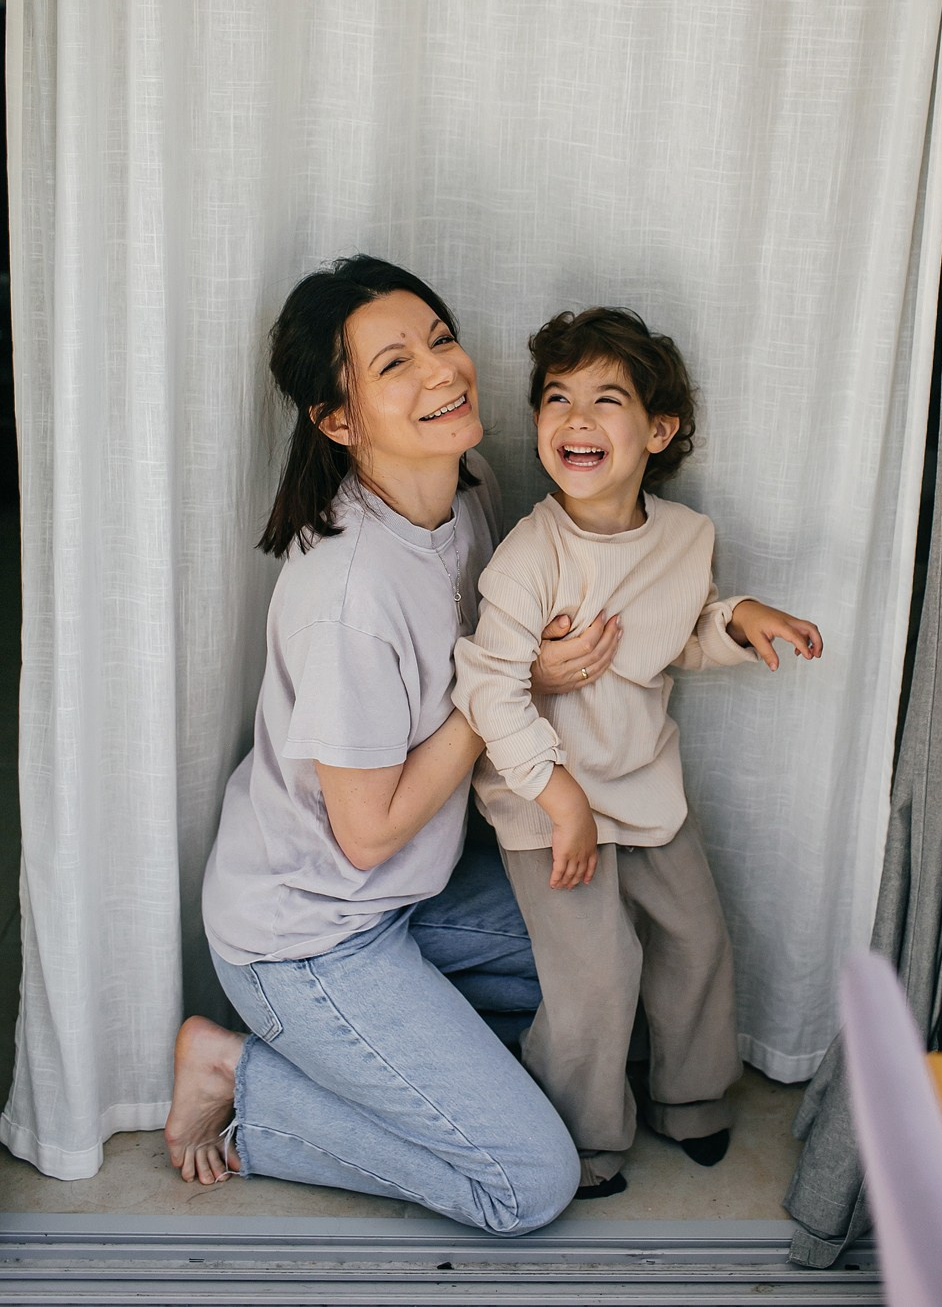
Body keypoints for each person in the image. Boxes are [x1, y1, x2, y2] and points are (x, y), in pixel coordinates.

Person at [164, 256, 621, 1234]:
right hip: (312, 935)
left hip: (416, 898)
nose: (442, 373)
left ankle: (412, 1060)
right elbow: (365, 834)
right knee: (526, 1184)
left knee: (616, 967)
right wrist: (507, 683)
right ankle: (238, 1077)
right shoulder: (348, 591)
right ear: (339, 420)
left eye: (440, 340)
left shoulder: (467, 485)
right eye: (395, 365)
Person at [452, 307, 823, 1197]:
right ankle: (581, 1135)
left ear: (658, 431)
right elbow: (489, 689)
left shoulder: (686, 539)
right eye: (556, 398)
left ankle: (690, 1101)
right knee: (598, 971)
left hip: (645, 788)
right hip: (548, 805)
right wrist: (560, 798)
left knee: (696, 939)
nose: (574, 419)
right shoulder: (528, 556)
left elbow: (676, 633)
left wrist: (736, 618)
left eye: (605, 398)